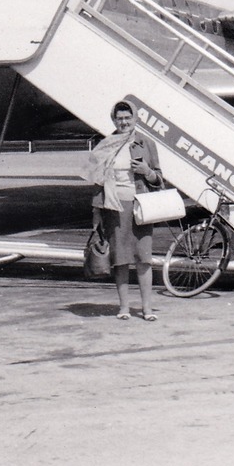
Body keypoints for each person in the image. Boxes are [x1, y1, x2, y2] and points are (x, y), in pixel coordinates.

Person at [83, 101, 163, 320]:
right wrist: (96, 212)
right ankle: (124, 308)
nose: (124, 122)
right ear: (114, 120)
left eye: (128, 117)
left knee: (143, 259)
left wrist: (147, 172)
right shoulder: (106, 145)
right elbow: (98, 182)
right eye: (120, 118)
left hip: (141, 208)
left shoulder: (145, 143)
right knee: (120, 259)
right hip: (114, 208)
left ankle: (147, 309)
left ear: (135, 119)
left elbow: (159, 179)